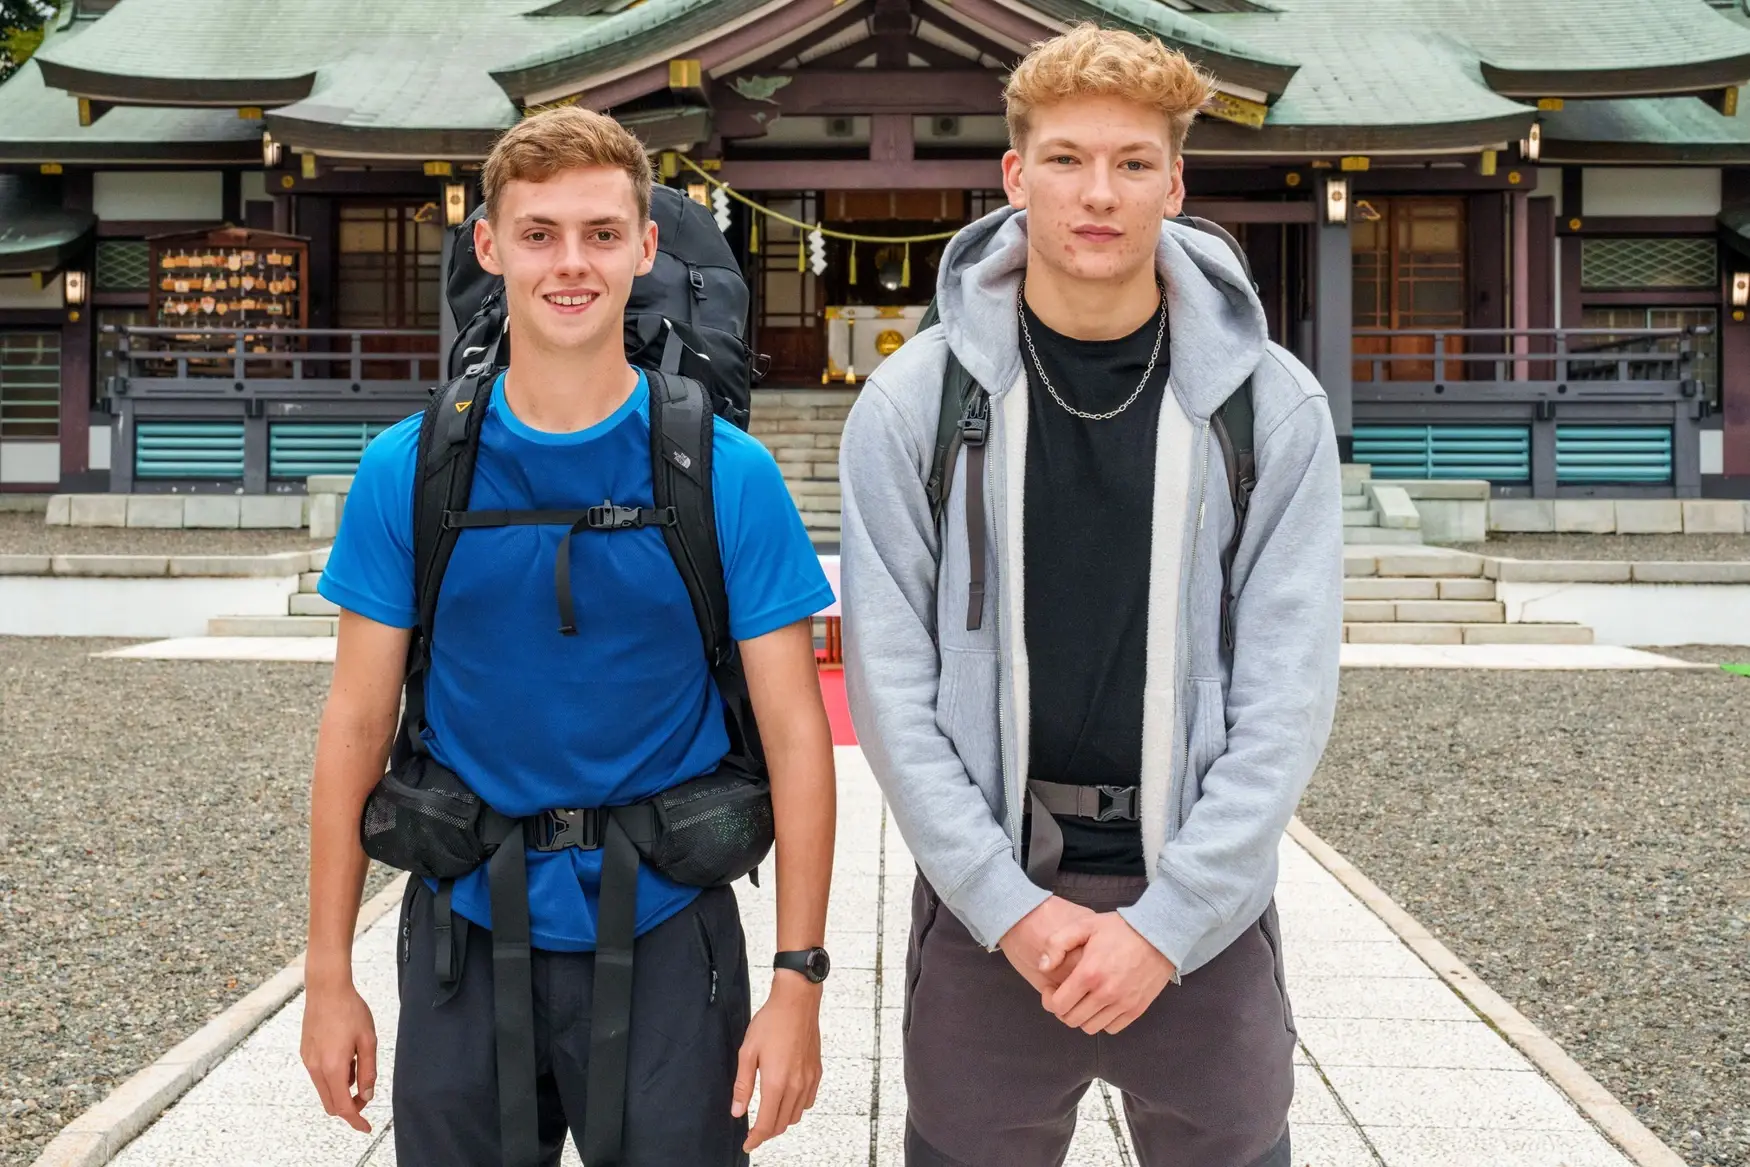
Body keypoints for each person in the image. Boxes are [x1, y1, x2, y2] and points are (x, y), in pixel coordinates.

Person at [840, 24, 1343, 1167]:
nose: (1098, 193)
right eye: (1065, 159)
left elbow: (1286, 697)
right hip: (991, 893)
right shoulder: (915, 407)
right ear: (1015, 176)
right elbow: (889, 692)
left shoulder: (1268, 409)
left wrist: (1169, 926)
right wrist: (1006, 907)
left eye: (1131, 162)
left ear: (1176, 181)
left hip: (1199, 899)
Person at [299, 106, 839, 1165]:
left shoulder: (726, 473)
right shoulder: (410, 469)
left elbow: (796, 735)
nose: (571, 263)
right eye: (539, 234)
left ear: (645, 248)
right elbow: (355, 723)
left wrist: (798, 981)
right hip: (462, 922)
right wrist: (328, 973)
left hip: (670, 924)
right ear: (489, 246)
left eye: (601, 233)